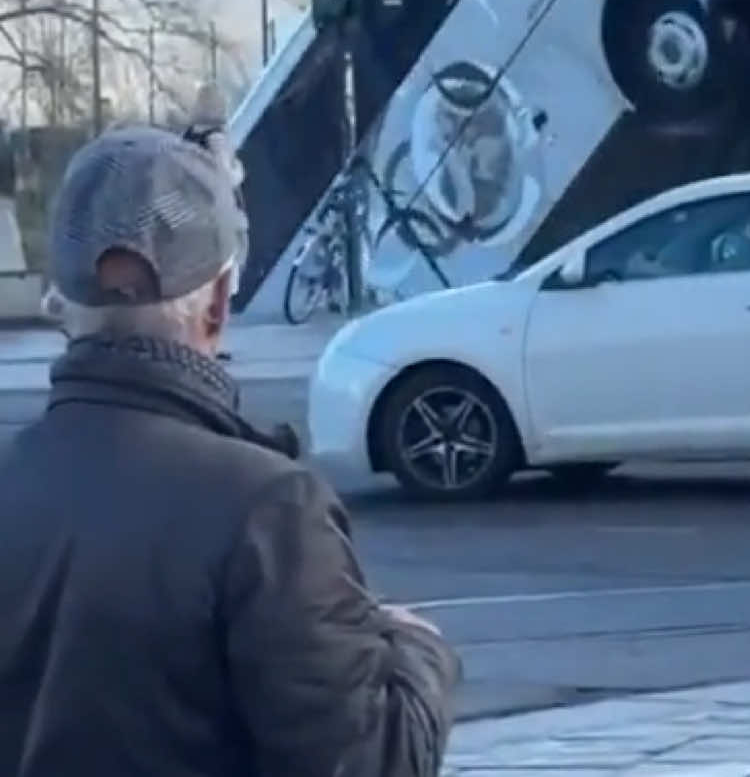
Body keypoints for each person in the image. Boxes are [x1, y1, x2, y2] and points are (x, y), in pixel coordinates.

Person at [0, 123, 460, 777]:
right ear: (217, 300)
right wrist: (418, 650)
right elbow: (372, 761)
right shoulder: (267, 508)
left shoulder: (12, 480)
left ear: (64, 305)